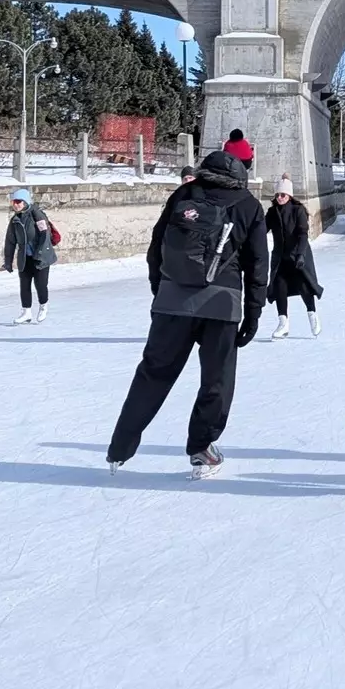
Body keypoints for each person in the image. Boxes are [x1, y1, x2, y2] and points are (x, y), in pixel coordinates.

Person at [107, 149, 269, 478]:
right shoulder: (248, 204)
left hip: (172, 301)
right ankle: (201, 449)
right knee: (216, 380)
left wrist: (161, 288)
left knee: (153, 374)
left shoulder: (183, 194)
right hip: (222, 306)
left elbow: (157, 247)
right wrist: (253, 312)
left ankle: (120, 448)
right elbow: (257, 264)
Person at [264, 175, 321, 338]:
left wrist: (301, 254)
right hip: (280, 257)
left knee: (304, 286)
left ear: (289, 195)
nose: (280, 198)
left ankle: (313, 316)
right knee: (279, 287)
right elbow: (262, 229)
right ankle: (283, 323)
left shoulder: (298, 211)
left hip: (298, 254)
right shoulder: (272, 212)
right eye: (277, 195)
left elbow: (303, 234)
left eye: (283, 195)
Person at [2, 187, 57, 324]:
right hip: (25, 258)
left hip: (41, 257)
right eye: (13, 202)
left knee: (40, 285)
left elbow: (45, 236)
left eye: (18, 201)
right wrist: (8, 261)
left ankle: (43, 306)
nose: (15, 204)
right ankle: (26, 312)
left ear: (25, 202)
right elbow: (10, 242)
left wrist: (39, 253)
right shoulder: (15, 220)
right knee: (24, 285)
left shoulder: (37, 215)